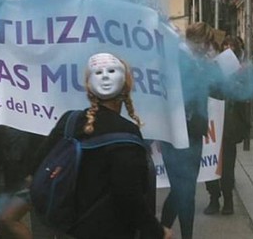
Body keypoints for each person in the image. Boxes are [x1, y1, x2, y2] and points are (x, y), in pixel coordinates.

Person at [31, 53, 171, 239]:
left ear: (88, 86)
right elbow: (129, 196)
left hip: (69, 229)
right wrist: (157, 231)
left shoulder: (70, 121)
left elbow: (36, 166)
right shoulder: (127, 133)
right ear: (127, 86)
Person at [161, 22, 221, 239]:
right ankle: (176, 233)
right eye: (207, 43)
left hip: (193, 131)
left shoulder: (198, 61)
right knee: (183, 188)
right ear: (200, 41)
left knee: (185, 189)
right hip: (177, 132)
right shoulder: (177, 57)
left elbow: (218, 91)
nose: (208, 48)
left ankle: (164, 230)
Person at [203, 35, 250, 215]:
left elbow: (245, 94)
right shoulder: (209, 69)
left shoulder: (240, 71)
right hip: (211, 124)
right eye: (225, 46)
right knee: (209, 163)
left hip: (228, 126)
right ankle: (214, 197)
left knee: (227, 167)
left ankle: (228, 200)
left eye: (232, 47)